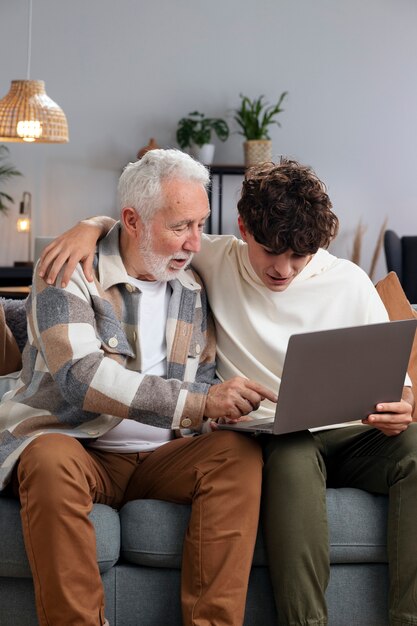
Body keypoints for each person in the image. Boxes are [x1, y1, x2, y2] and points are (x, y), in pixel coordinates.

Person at [42, 157, 417, 626]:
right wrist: (89, 226)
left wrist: (401, 406)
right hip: (280, 435)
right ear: (242, 228)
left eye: (299, 257)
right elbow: (143, 227)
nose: (283, 269)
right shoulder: (210, 256)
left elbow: (394, 383)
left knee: (415, 446)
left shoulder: (349, 281)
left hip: (349, 433)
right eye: (269, 252)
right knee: (291, 453)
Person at [0, 149, 278, 626]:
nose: (196, 242)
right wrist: (198, 402)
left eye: (201, 223)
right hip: (78, 445)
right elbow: (80, 377)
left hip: (161, 460)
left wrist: (232, 409)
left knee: (238, 455)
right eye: (181, 226)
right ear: (132, 220)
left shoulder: (192, 288)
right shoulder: (67, 272)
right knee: (45, 458)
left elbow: (204, 380)